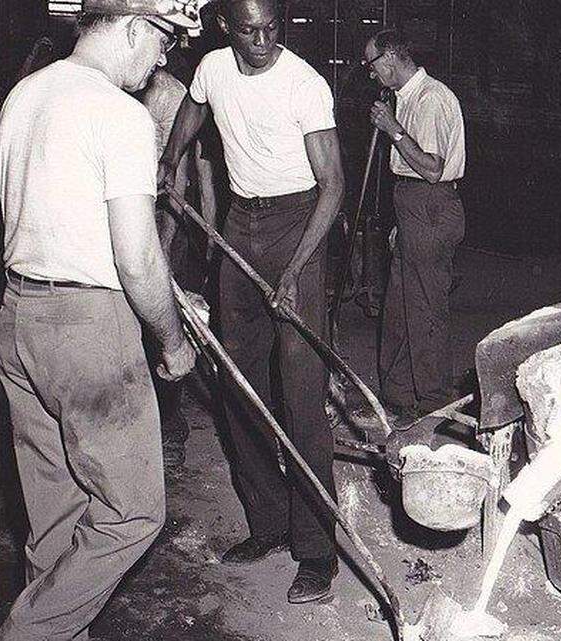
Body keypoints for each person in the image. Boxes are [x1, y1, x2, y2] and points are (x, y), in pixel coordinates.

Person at [0, 2, 198, 637]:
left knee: (56, 520)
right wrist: (173, 339)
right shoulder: (121, 114)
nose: (163, 59)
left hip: (18, 318)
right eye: (162, 41)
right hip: (87, 334)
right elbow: (135, 257)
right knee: (133, 514)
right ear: (134, 27)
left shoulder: (25, 93)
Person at [158, 0, 345, 604]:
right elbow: (192, 112)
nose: (263, 41)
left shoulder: (305, 84)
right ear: (225, 29)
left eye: (272, 29)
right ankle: (266, 525)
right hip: (242, 222)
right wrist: (169, 159)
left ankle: (317, 551)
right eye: (250, 31)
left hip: (301, 224)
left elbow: (333, 187)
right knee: (238, 384)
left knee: (300, 392)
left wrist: (294, 270)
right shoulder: (212, 67)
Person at [363, 28, 466, 418]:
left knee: (425, 309)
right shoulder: (405, 98)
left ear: (390, 58)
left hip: (430, 202)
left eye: (372, 64)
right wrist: (400, 222)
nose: (371, 73)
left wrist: (392, 129)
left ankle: (434, 403)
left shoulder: (431, 99)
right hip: (411, 206)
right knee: (399, 306)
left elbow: (432, 168)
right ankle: (401, 396)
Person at [138, 66, 193, 468]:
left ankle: (170, 426)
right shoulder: (112, 84)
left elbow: (180, 176)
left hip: (159, 217)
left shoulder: (169, 94)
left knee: (161, 327)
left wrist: (166, 244)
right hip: (122, 214)